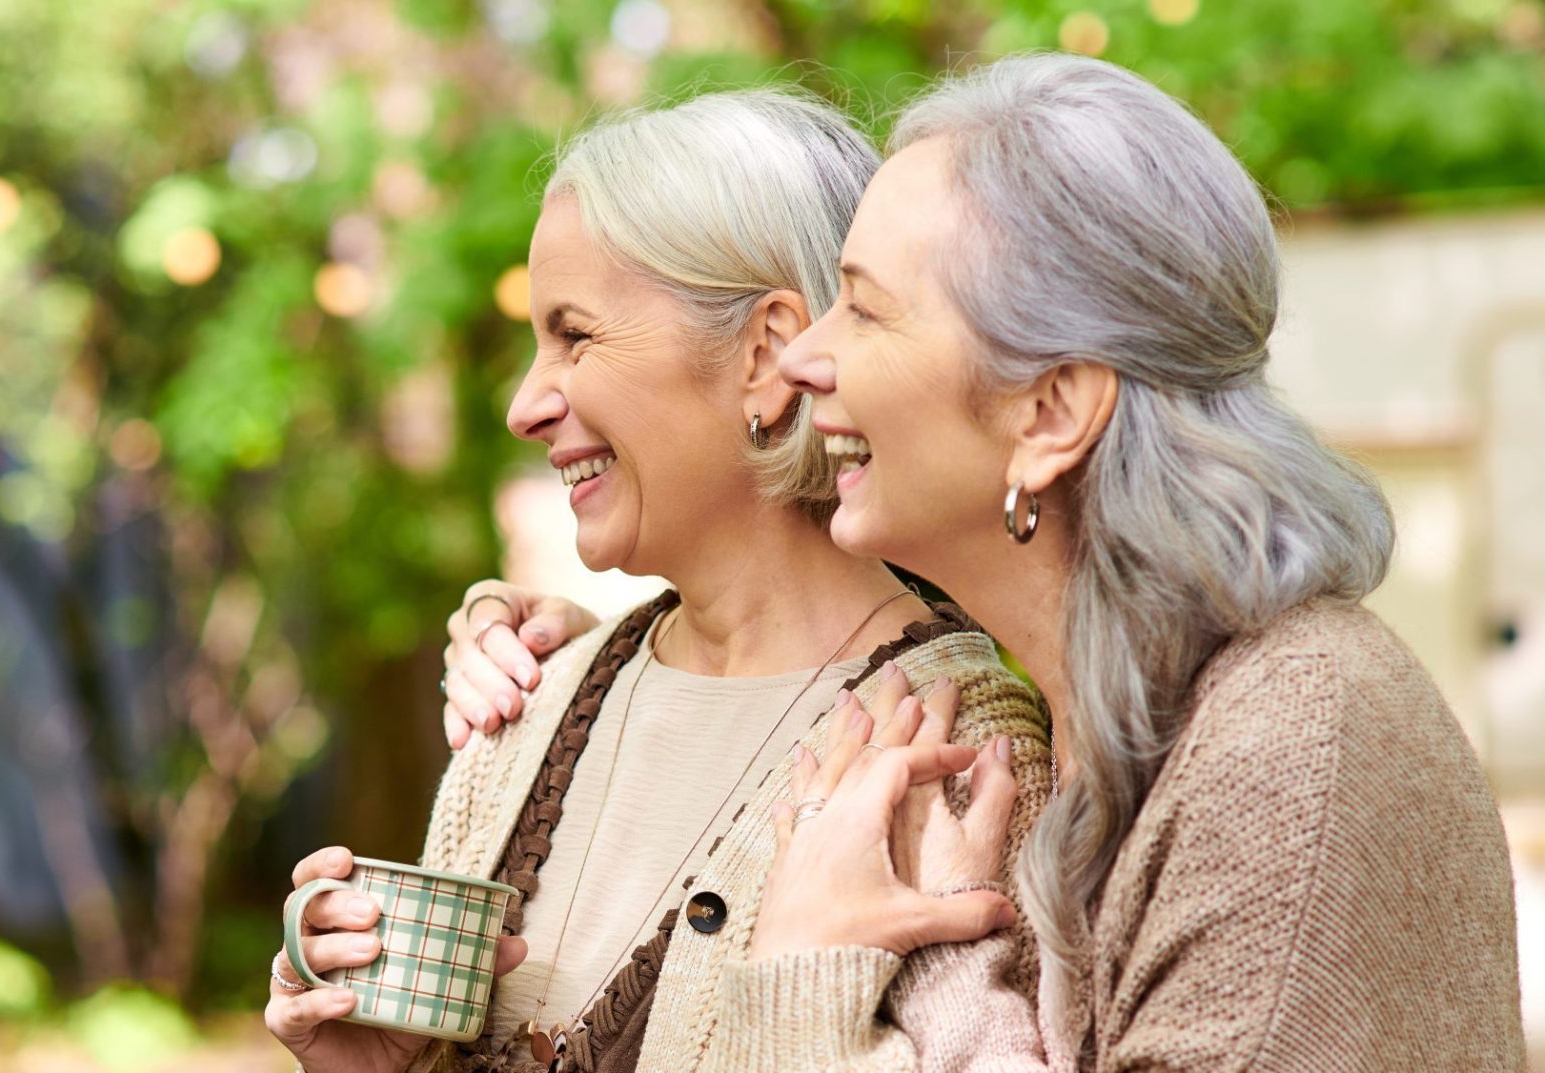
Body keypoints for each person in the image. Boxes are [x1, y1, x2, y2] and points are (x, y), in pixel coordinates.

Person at [442, 53, 1526, 1071]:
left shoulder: (1285, 742)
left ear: (1048, 412)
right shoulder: (1111, 731)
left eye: (864, 309)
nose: (810, 354)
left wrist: (801, 976)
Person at [266, 87, 1051, 1073]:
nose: (523, 403)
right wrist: (376, 1058)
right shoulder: (529, 705)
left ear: (766, 355)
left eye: (574, 334)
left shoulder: (953, 747)